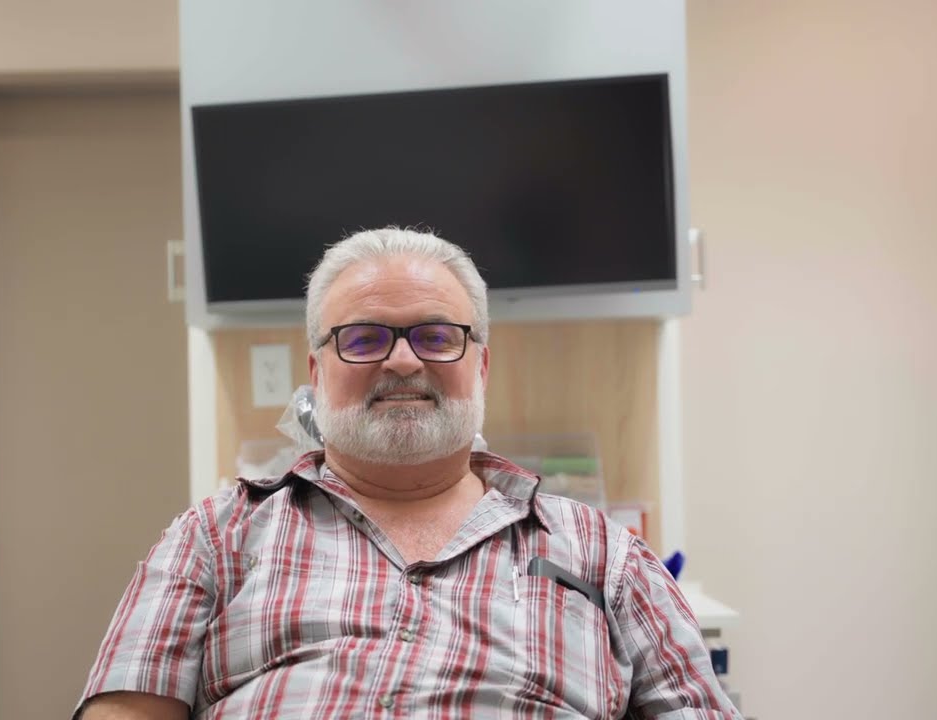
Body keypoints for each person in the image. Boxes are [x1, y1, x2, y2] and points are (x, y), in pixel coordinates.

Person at [75, 227, 740, 719]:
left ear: (480, 366)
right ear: (317, 372)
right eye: (363, 339)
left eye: (436, 336)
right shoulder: (213, 537)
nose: (401, 361)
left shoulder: (606, 557)